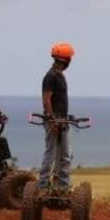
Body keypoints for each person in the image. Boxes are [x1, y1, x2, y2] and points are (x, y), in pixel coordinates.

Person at [39, 42, 75, 191]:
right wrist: (51, 118)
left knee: (65, 155)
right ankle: (43, 185)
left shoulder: (59, 75)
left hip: (63, 120)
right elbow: (46, 98)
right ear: (65, 60)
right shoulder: (51, 76)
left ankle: (63, 186)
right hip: (53, 121)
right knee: (51, 153)